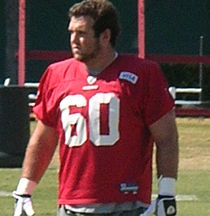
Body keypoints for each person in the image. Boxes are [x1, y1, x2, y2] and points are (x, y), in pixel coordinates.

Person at [13, 0, 179, 215]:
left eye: (82, 33)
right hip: (72, 204)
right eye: (71, 32)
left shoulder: (143, 74)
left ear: (105, 36)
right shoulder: (56, 74)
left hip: (128, 205)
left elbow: (166, 138)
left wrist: (166, 192)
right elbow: (44, 139)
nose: (74, 39)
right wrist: (24, 190)